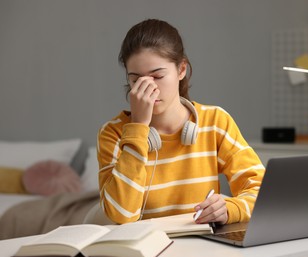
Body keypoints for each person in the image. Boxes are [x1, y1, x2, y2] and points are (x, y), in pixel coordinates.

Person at [97, 18, 265, 225]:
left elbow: (262, 190)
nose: (148, 88)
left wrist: (231, 209)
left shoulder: (215, 122)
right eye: (136, 80)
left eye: (157, 76)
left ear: (181, 69)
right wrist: (138, 129)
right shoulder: (112, 133)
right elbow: (121, 214)